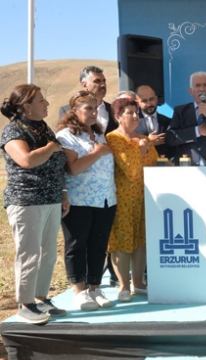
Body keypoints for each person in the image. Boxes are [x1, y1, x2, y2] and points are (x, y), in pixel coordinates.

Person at [1, 84, 68, 324]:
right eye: (41, 100)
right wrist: (51, 147)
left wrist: (63, 192)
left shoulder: (44, 129)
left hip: (51, 199)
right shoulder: (12, 132)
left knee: (49, 253)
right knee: (29, 253)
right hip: (26, 201)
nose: (47, 103)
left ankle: (40, 298)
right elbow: (27, 160)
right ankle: (25, 303)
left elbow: (58, 163)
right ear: (26, 106)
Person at [56, 90, 117, 310]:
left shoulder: (99, 135)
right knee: (77, 245)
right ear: (74, 111)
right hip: (78, 200)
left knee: (98, 245)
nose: (93, 112)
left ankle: (95, 287)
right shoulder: (66, 136)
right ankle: (79, 291)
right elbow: (72, 168)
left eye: (95, 108)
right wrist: (97, 153)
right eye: (87, 108)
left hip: (105, 199)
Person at [106, 97, 158, 302]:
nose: (136, 116)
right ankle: (123, 286)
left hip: (146, 197)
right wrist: (142, 148)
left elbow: (155, 163)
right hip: (122, 198)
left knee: (141, 240)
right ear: (118, 117)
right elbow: (128, 168)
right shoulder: (113, 138)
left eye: (137, 112)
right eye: (130, 112)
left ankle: (139, 283)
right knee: (122, 241)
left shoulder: (144, 137)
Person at [59, 66, 117, 134]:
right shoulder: (67, 110)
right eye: (97, 81)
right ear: (84, 85)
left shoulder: (114, 110)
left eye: (104, 81)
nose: (103, 85)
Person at [135, 85, 172, 159]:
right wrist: (149, 142)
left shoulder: (168, 121)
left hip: (164, 165)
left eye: (151, 99)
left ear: (156, 99)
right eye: (144, 101)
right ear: (137, 103)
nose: (149, 104)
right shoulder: (133, 123)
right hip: (142, 166)